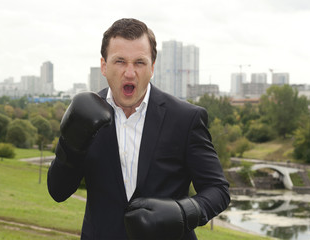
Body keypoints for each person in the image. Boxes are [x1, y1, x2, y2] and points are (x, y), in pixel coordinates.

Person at [47, 18, 230, 240]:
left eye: (140, 63)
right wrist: (70, 145)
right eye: (120, 61)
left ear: (152, 67)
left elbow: (218, 190)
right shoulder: (86, 114)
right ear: (104, 66)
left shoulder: (185, 118)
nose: (130, 72)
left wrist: (184, 212)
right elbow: (58, 191)